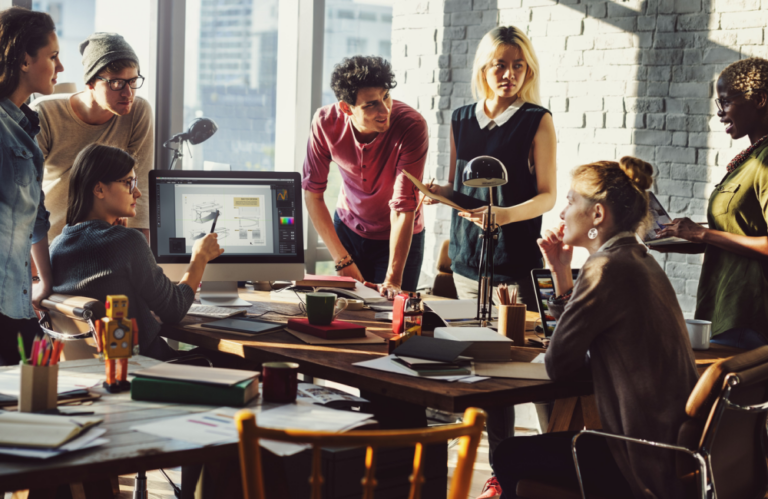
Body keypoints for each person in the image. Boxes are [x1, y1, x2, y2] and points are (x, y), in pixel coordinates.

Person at [492, 157, 699, 499]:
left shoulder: (604, 268)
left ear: (598, 215)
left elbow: (558, 365)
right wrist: (561, 273)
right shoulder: (638, 257)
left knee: (508, 454)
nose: (562, 213)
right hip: (671, 448)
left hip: (637, 457)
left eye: (571, 201)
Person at [422, 26, 556, 497]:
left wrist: (503, 215)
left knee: (512, 366)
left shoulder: (536, 119)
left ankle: (529, 468)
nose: (510, 74)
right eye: (500, 64)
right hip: (465, 258)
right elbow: (466, 193)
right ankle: (499, 472)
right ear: (484, 67)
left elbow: (546, 197)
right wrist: (442, 195)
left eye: (519, 65)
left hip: (514, 258)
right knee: (479, 367)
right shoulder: (461, 118)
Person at [49, 144, 223, 360]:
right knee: (240, 360)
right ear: (99, 189)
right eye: (129, 183)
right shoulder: (127, 241)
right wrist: (199, 258)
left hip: (99, 374)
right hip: (150, 371)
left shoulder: (57, 245)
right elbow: (174, 310)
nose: (138, 193)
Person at [655, 57, 768, 350]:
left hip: (748, 314)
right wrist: (684, 236)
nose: (719, 113)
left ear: (760, 99)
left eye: (726, 102)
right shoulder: (750, 159)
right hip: (724, 309)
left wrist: (703, 234)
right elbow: (744, 233)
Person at [303, 55, 428, 297]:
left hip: (399, 235)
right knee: (347, 313)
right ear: (346, 107)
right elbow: (313, 194)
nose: (385, 110)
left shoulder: (412, 126)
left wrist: (392, 280)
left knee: (394, 317)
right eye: (371, 104)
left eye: (386, 97)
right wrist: (341, 260)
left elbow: (403, 207)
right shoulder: (324, 122)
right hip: (348, 228)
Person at [31, 32, 153, 242]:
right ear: (90, 83)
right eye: (116, 83)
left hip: (104, 243)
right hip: (50, 242)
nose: (128, 93)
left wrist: (142, 257)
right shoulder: (45, 114)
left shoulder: (138, 111)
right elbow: (29, 196)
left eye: (133, 81)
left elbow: (140, 190)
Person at [0, 7, 62, 366]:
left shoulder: (26, 126)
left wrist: (45, 284)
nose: (61, 67)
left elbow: (36, 218)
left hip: (17, 305)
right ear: (25, 60)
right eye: (53, 57)